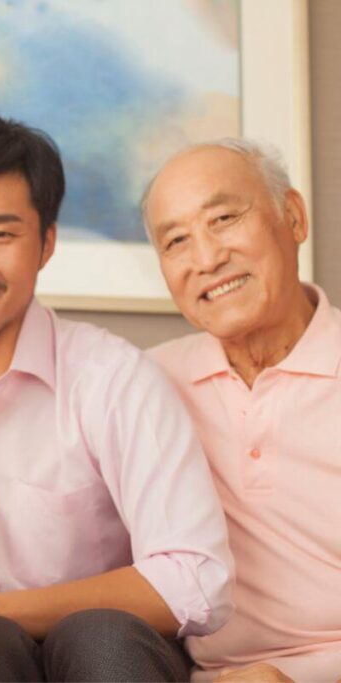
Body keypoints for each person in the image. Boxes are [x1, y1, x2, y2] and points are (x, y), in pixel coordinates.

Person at [0, 107, 235, 682]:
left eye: (0, 233)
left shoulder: (114, 378)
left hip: (101, 660)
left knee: (96, 634)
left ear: (46, 244)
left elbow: (197, 578)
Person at [144, 139, 341, 682]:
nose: (206, 258)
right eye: (176, 240)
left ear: (294, 217)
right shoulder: (146, 385)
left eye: (225, 219)